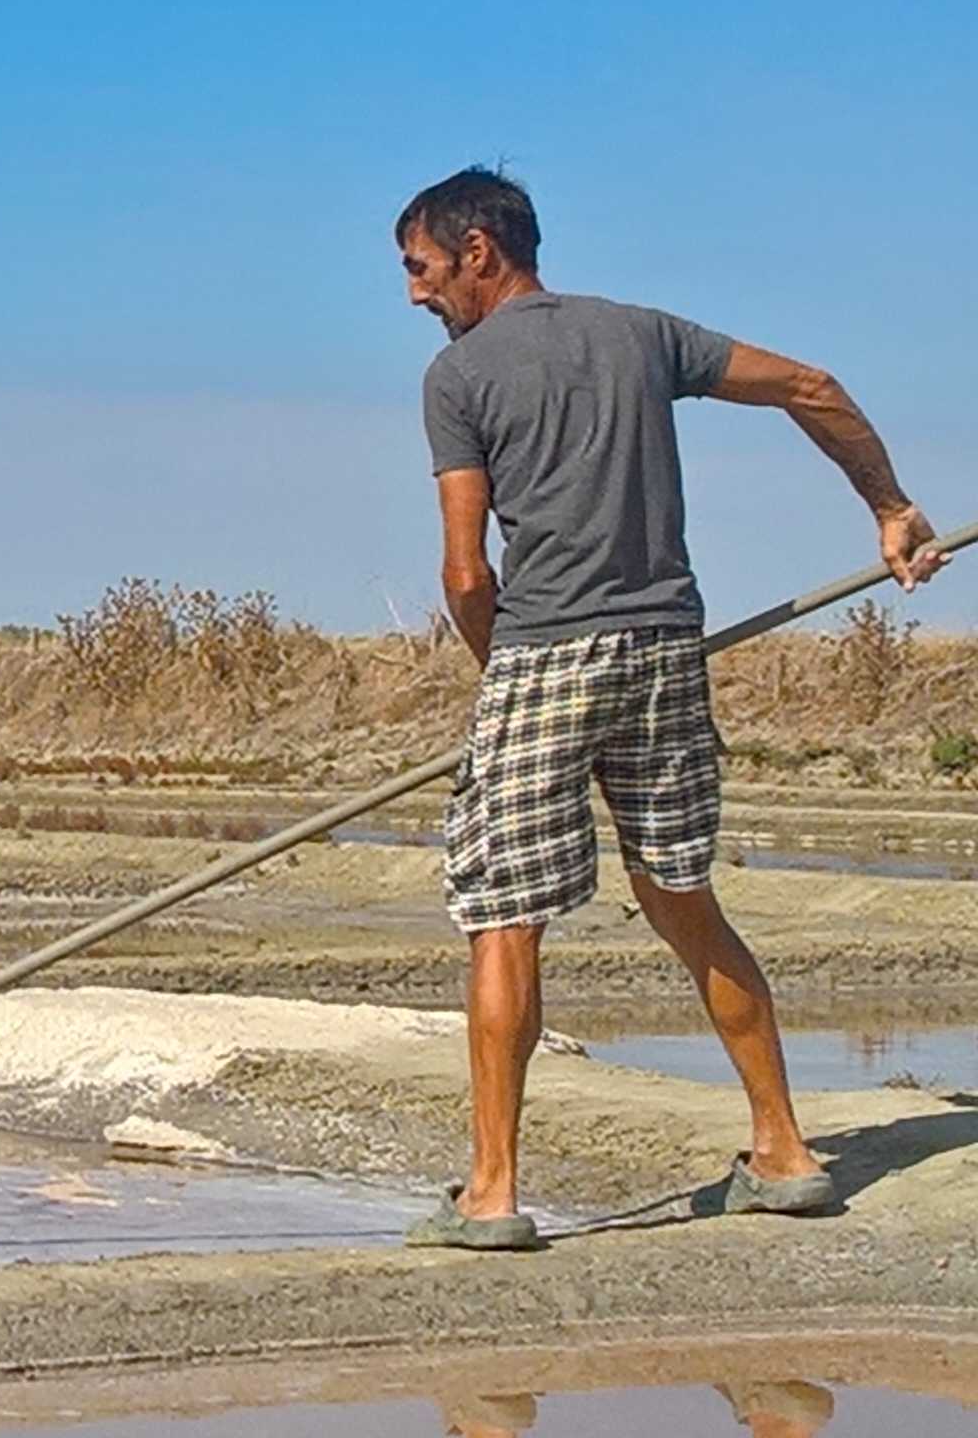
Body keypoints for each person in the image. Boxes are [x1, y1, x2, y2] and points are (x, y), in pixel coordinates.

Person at [392, 166, 949, 1250]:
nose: (414, 295)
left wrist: (500, 673)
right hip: (663, 650)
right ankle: (784, 1152)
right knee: (682, 895)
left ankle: (493, 1195)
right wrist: (891, 508)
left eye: (418, 270)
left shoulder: (457, 377)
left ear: (475, 249)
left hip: (544, 652)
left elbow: (465, 573)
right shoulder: (641, 333)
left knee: (505, 918)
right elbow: (813, 384)